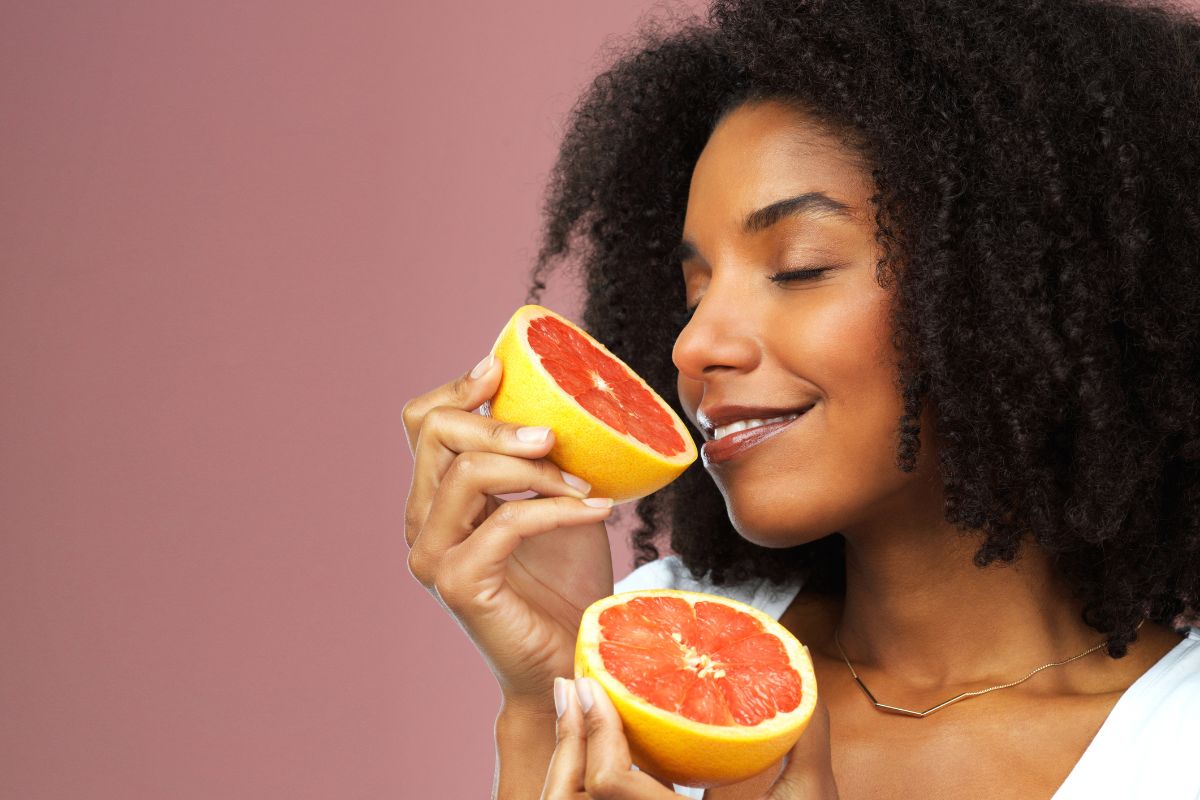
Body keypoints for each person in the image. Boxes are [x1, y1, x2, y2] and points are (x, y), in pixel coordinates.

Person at [402, 0, 1200, 796]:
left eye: (799, 268)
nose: (693, 346)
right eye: (692, 293)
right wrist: (550, 701)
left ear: (1022, 288)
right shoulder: (667, 657)